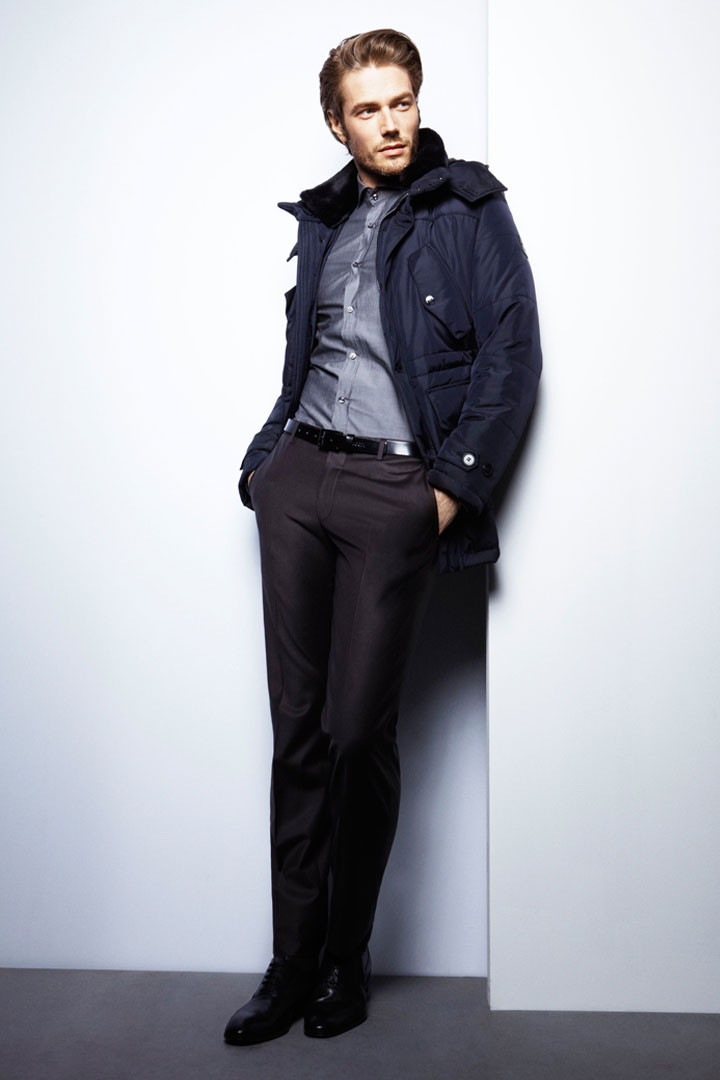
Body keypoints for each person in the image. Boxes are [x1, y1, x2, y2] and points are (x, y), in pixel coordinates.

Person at [224, 28, 541, 1045]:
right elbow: (306, 357)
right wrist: (265, 462)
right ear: (338, 123)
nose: (391, 122)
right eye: (368, 109)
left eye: (401, 101)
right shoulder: (323, 219)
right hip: (300, 482)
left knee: (358, 731)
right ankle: (290, 962)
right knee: (299, 730)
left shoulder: (468, 207)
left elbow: (513, 354)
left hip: (398, 488)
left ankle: (343, 957)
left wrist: (448, 492)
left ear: (417, 103)